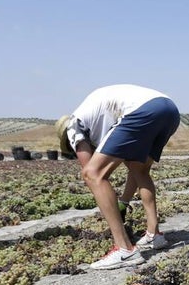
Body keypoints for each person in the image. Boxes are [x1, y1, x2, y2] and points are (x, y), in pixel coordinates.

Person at [55, 84, 180, 270]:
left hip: (142, 110)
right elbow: (131, 169)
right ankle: (155, 235)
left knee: (92, 174)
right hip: (168, 110)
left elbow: (92, 173)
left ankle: (124, 249)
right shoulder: (98, 118)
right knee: (140, 169)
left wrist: (108, 202)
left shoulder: (74, 125)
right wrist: (123, 201)